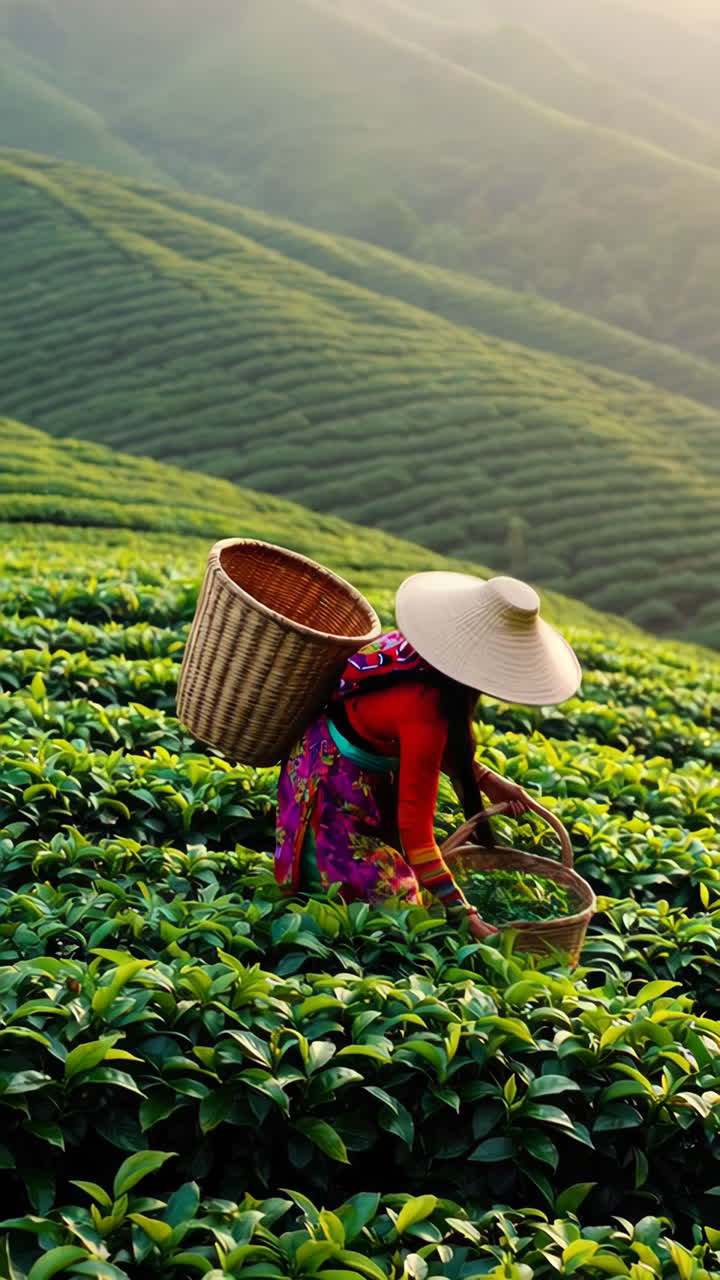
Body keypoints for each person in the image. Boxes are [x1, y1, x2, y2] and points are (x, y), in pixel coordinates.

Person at [274, 572, 581, 939]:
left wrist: (488, 781)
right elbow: (418, 836)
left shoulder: (416, 651)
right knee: (403, 916)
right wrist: (469, 918)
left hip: (340, 767)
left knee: (413, 886)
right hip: (328, 790)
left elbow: (419, 743)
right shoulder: (426, 709)